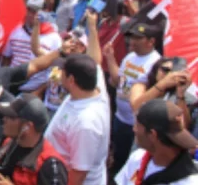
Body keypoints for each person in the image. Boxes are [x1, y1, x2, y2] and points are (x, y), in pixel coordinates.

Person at [44, 54, 111, 185]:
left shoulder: (86, 123)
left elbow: (79, 173)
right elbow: (96, 60)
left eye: (62, 72)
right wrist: (93, 32)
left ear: (71, 80)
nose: (59, 75)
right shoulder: (95, 88)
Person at [107, 22, 163, 175]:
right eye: (132, 37)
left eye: (138, 38)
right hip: (120, 118)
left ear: (151, 41)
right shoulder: (130, 57)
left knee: (132, 165)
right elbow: (117, 81)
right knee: (117, 159)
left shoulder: (156, 63)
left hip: (138, 125)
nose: (133, 41)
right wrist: (110, 58)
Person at [114, 99, 198, 185]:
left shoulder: (190, 182)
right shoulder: (137, 158)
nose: (134, 129)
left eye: (137, 125)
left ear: (152, 134)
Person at [0, 93, 69, 185]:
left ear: (27, 126)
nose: (4, 119)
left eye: (11, 117)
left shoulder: (50, 164)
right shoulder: (8, 144)